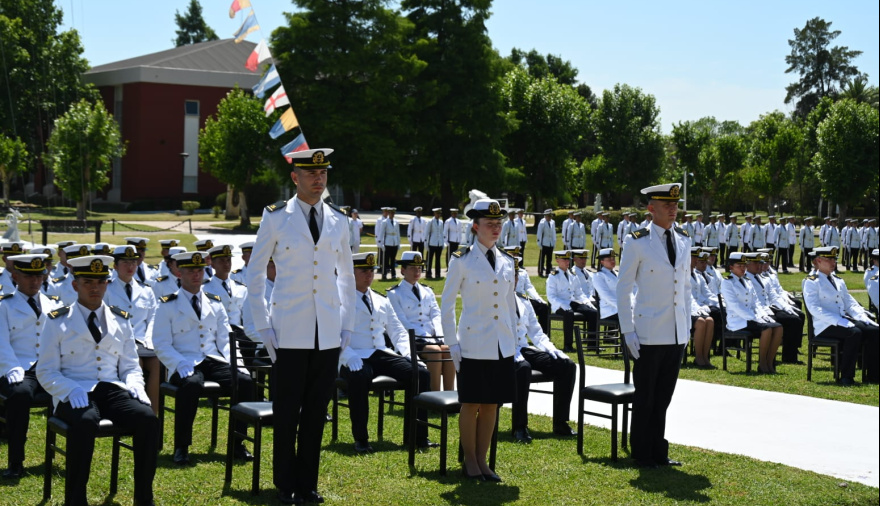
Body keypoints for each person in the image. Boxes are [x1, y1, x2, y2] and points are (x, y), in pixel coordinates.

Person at [246, 148, 355, 504]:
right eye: (311, 173)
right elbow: (255, 273)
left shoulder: (338, 219)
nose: (318, 179)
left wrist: (347, 326)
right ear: (295, 177)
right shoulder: (277, 217)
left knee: (316, 412)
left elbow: (347, 277)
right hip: (288, 330)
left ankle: (307, 484)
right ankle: (284, 482)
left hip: (327, 331)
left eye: (323, 173)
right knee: (287, 411)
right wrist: (263, 327)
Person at [36, 254, 158, 506]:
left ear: (107, 284)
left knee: (147, 418)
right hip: (75, 391)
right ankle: (76, 499)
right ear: (75, 285)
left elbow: (130, 365)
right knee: (85, 421)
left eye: (100, 282)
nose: (95, 287)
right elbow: (46, 371)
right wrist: (69, 390)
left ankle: (144, 498)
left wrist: (136, 385)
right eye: (88, 282)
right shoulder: (57, 320)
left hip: (111, 388)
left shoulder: (120, 319)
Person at [152, 251, 254, 466]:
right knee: (191, 384)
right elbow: (161, 344)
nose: (196, 275)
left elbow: (226, 339)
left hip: (212, 360)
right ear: (179, 273)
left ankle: (238, 443)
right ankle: (182, 446)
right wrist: (179, 363)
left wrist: (238, 365)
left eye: (199, 270)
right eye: (191, 271)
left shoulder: (214, 303)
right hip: (183, 361)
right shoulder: (167, 304)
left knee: (244, 382)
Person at [440, 199, 517, 482]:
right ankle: (469, 460)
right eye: (489, 224)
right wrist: (452, 343)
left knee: (492, 404)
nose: (495, 228)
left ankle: (483, 460)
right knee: (471, 403)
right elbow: (447, 305)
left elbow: (510, 304)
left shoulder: (508, 260)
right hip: (472, 343)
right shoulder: (462, 259)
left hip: (500, 344)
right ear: (475, 226)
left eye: (499, 224)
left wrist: (514, 342)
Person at [617, 182, 691, 468]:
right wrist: (627, 330)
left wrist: (686, 326)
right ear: (651, 208)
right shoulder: (637, 241)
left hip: (676, 332)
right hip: (647, 332)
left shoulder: (683, 238)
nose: (673, 209)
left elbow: (685, 287)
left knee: (664, 397)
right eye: (667, 205)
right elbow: (623, 288)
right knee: (645, 396)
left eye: (675, 205)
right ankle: (642, 452)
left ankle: (659, 450)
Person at [340, 252, 433, 452]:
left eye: (371, 271)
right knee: (359, 376)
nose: (369, 275)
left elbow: (397, 331)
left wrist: (412, 356)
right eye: (364, 271)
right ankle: (361, 439)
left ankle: (417, 437)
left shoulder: (380, 299)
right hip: (354, 355)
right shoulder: (340, 299)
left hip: (381, 353)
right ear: (350, 272)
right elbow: (331, 334)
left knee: (420, 374)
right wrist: (347, 355)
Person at [0, 254, 64, 478]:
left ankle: (72, 454)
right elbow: (1, 342)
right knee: (20, 394)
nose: (35, 281)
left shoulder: (53, 303)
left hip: (48, 366)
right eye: (29, 276)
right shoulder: (4, 305)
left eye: (39, 276)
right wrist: (11, 368)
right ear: (15, 277)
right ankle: (16, 461)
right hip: (18, 367)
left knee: (79, 388)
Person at [510, 264, 577, 443]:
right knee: (522, 369)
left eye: (515, 276)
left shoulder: (523, 300)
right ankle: (519, 427)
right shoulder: (493, 302)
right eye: (509, 276)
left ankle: (561, 422)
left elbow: (537, 333)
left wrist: (552, 349)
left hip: (522, 348)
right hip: (503, 351)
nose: (513, 280)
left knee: (567, 366)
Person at [804, 247, 879, 385]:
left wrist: (863, 317)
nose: (833, 263)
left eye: (834, 259)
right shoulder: (812, 281)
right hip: (825, 324)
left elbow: (850, 303)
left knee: (874, 331)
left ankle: (873, 375)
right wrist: (838, 320)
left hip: (843, 320)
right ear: (819, 261)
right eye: (829, 260)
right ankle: (846, 376)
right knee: (854, 333)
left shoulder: (838, 280)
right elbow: (814, 308)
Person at [103, 245, 160, 414]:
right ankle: (136, 411)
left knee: (157, 364)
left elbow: (153, 318)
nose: (130, 267)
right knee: (137, 363)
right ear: (115, 265)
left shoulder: (146, 290)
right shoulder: (107, 289)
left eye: (133, 262)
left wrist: (148, 340)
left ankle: (153, 413)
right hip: (118, 342)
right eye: (125, 263)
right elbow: (104, 319)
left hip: (143, 342)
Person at [387, 251, 454, 392]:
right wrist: (426, 337)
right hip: (411, 339)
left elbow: (436, 315)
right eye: (412, 268)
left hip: (433, 337)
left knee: (448, 350)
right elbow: (401, 321)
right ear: (403, 270)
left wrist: (439, 335)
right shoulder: (394, 293)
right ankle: (434, 395)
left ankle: (450, 394)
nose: (417, 272)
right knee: (435, 351)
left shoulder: (427, 291)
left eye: (419, 268)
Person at [720, 252, 783, 373]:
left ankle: (769, 362)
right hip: (738, 320)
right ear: (731, 267)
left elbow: (756, 303)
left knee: (778, 327)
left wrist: (763, 315)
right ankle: (762, 364)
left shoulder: (747, 281)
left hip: (752, 318)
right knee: (767, 329)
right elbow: (735, 305)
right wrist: (753, 317)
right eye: (739, 266)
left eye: (744, 266)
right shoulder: (727, 282)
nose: (743, 268)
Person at [745, 252, 804, 364]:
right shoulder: (745, 280)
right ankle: (772, 359)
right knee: (786, 321)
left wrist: (786, 307)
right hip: (758, 312)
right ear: (747, 265)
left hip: (769, 308)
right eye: (756, 264)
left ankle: (790, 356)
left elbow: (774, 296)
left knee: (795, 318)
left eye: (761, 263)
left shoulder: (763, 277)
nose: (760, 266)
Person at [546, 250, 597, 353]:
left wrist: (587, 303)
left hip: (572, 302)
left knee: (593, 312)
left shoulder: (573, 275)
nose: (567, 262)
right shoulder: (553, 276)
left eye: (568, 260)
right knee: (569, 314)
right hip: (559, 305)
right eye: (564, 260)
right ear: (557, 260)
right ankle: (568, 345)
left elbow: (579, 293)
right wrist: (562, 305)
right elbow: (551, 296)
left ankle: (592, 345)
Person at [689, 250, 716, 367]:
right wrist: (696, 308)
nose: (696, 260)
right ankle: (698, 356)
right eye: (694, 257)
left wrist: (721, 303)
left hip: (698, 308)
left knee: (710, 321)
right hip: (686, 310)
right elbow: (687, 297)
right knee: (700, 322)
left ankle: (705, 356)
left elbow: (708, 294)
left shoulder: (698, 276)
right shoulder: (681, 275)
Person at [592, 248, 622, 322]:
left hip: (621, 308)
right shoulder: (599, 276)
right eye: (609, 259)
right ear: (602, 262)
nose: (612, 261)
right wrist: (622, 306)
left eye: (613, 259)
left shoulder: (618, 274)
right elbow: (606, 295)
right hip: (609, 310)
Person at [536, 209, 556, 277]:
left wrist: (554, 242)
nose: (550, 217)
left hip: (550, 243)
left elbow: (553, 233)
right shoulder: (542, 223)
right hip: (544, 243)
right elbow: (539, 233)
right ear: (545, 216)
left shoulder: (552, 222)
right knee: (542, 259)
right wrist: (539, 243)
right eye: (548, 216)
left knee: (549, 259)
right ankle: (540, 271)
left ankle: (548, 272)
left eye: (550, 216)